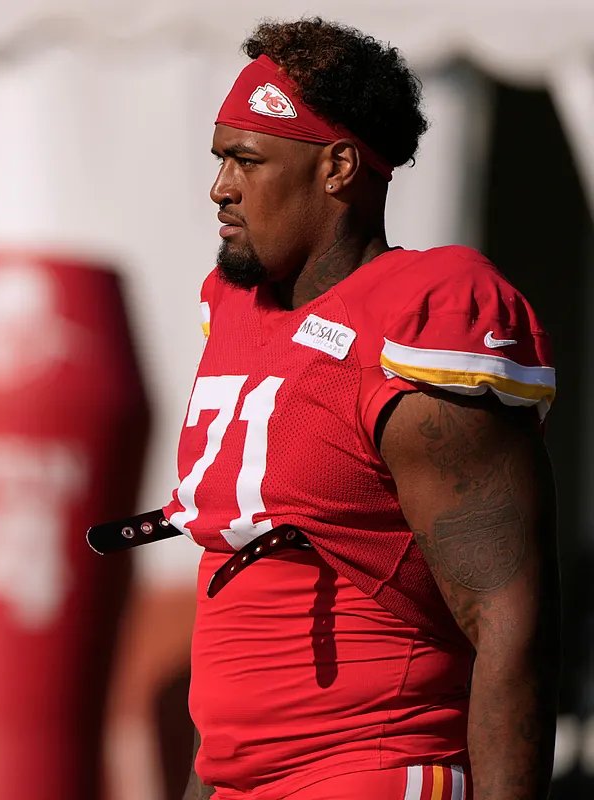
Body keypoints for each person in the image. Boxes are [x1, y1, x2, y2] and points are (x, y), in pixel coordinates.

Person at [163, 18, 560, 800]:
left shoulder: (419, 319)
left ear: (338, 166)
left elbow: (511, 620)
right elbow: (241, 598)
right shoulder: (239, 312)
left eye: (246, 161)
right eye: (219, 160)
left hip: (371, 767)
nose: (221, 187)